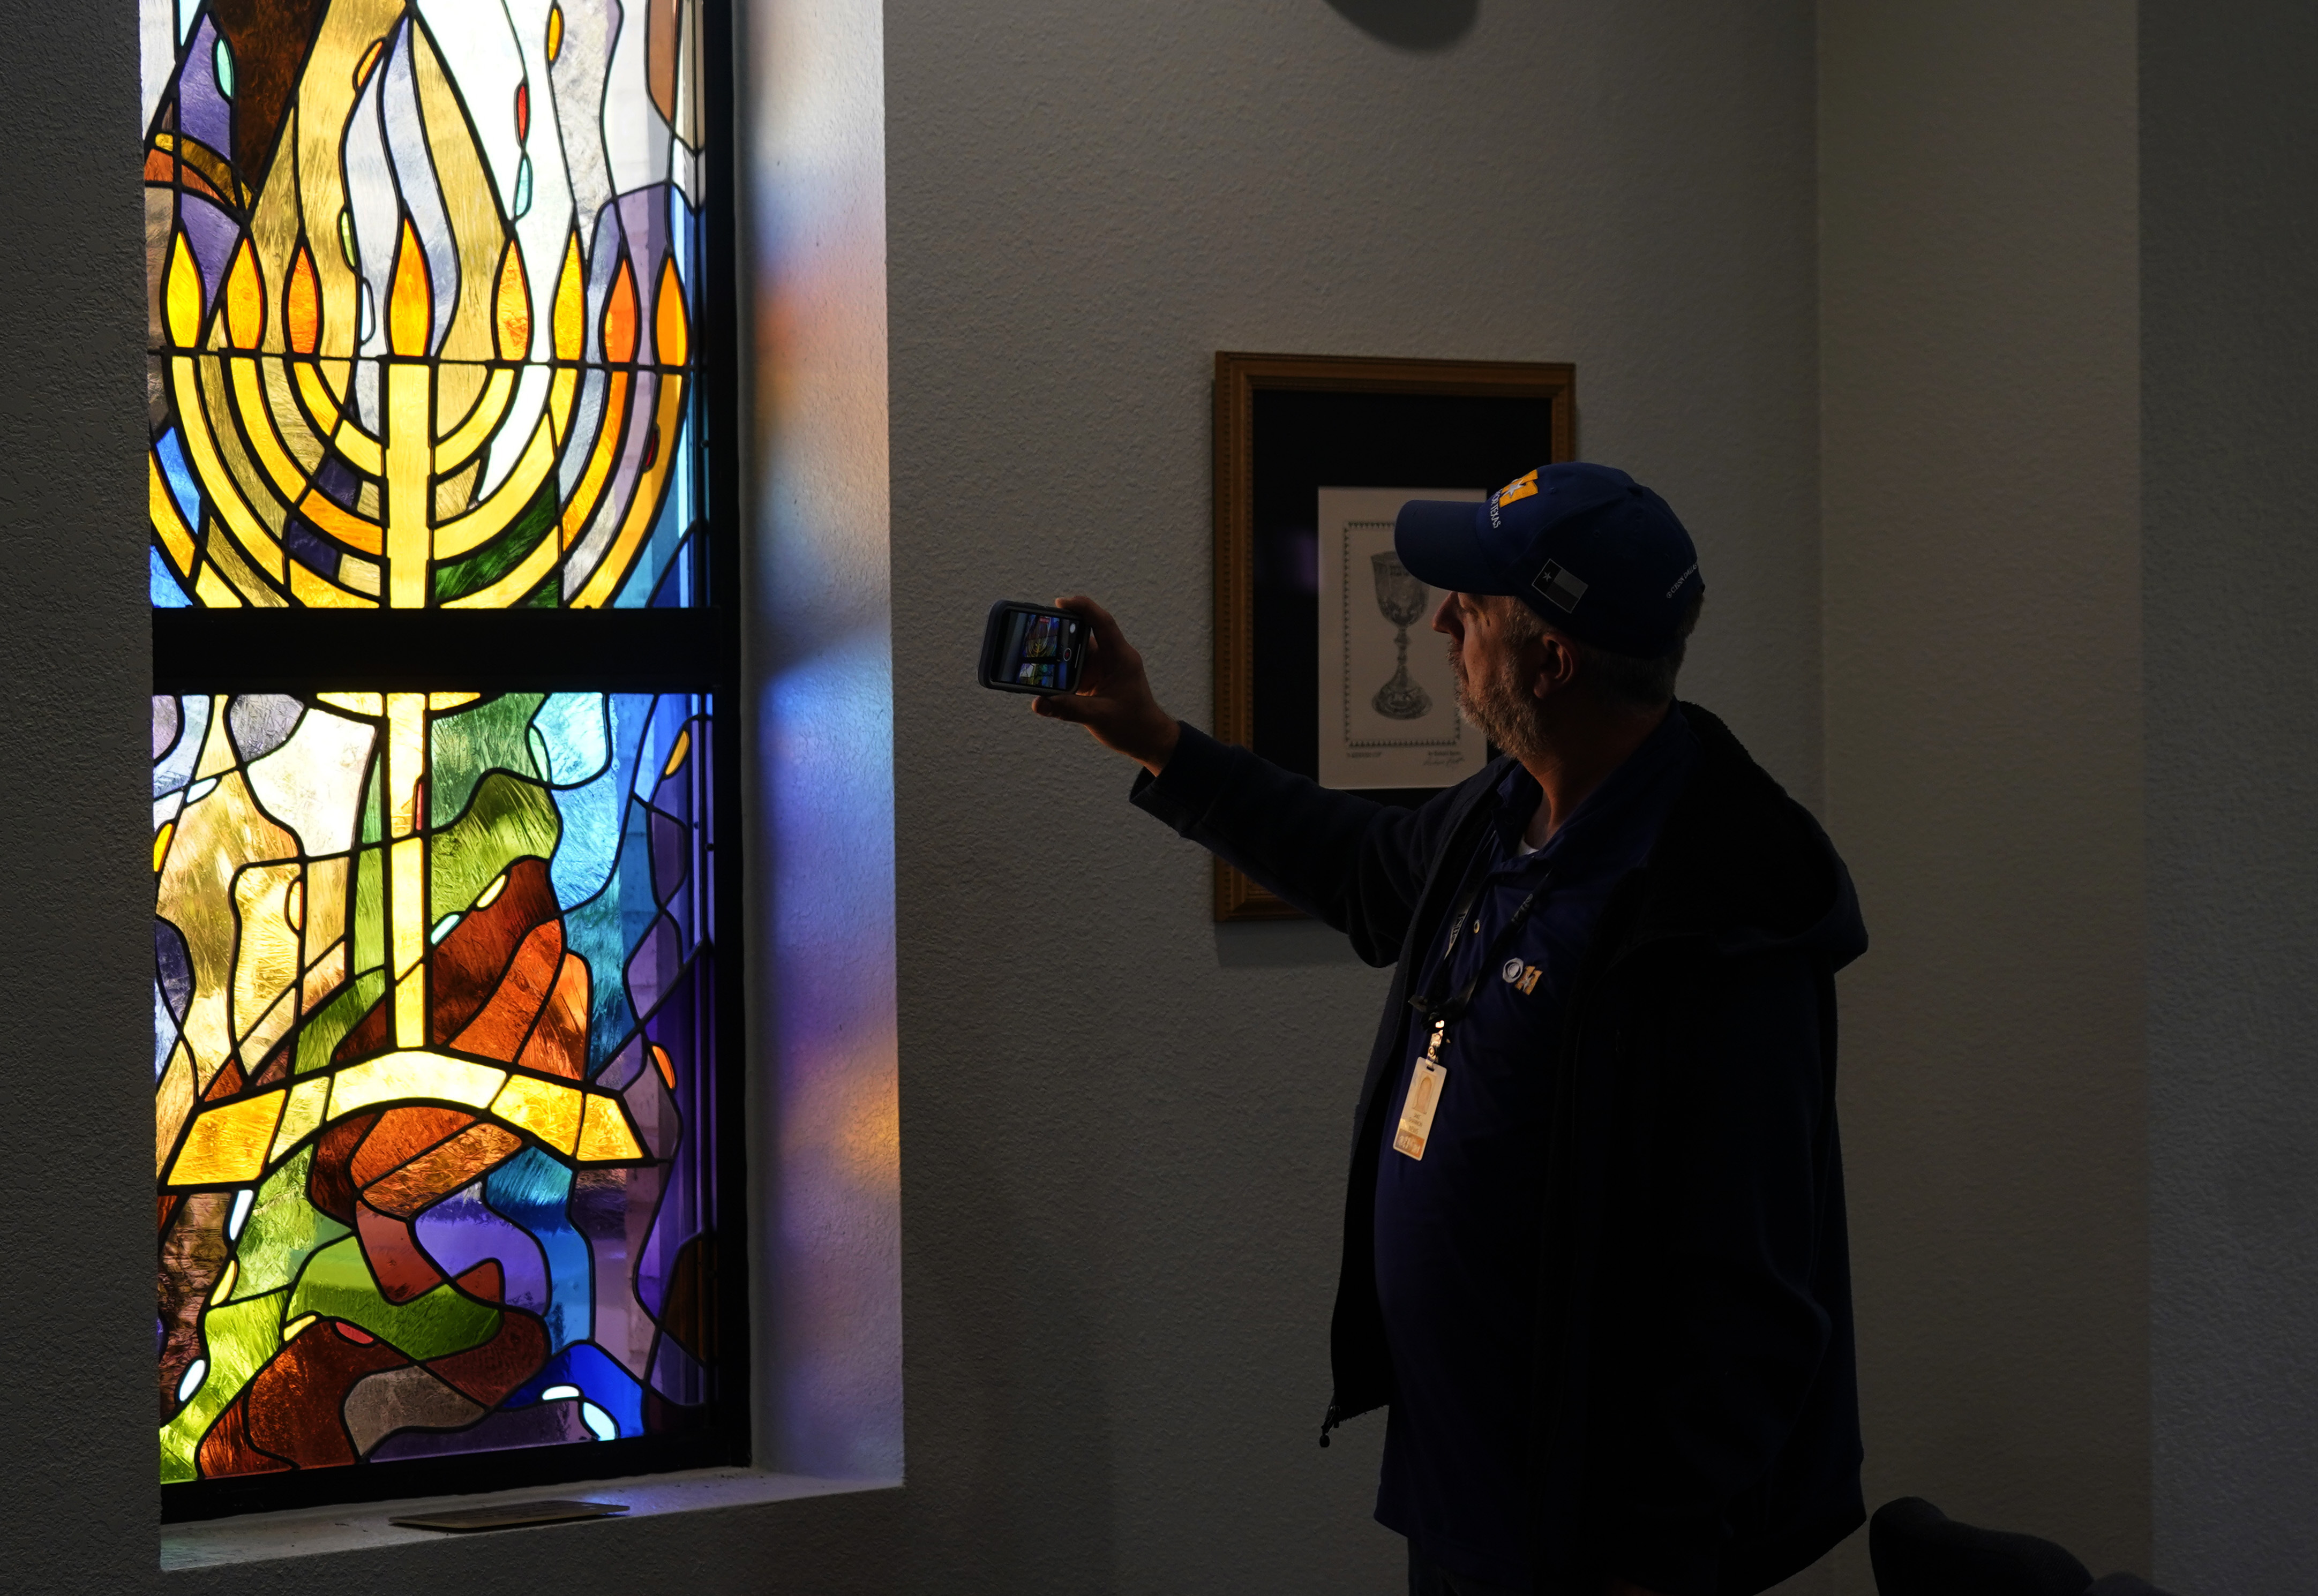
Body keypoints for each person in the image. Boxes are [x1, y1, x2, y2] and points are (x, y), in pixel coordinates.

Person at [1031, 463, 1867, 1596]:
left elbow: (1754, 1293)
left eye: (1470, 607)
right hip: (1467, 1485)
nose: (1440, 621)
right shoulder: (1507, 808)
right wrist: (1155, 739)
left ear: (1552, 661)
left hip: (1598, 1540)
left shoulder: (1717, 908)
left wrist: (1653, 1545)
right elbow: (1367, 870)